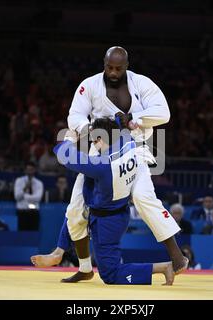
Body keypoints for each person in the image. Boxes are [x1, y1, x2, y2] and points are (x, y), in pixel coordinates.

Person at [35, 46, 186, 274]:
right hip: (101, 147)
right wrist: (90, 129)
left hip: (134, 148)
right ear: (104, 64)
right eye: (109, 67)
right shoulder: (91, 85)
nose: (113, 72)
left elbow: (164, 112)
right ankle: (83, 267)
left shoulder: (141, 83)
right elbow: (75, 115)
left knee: (143, 198)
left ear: (127, 66)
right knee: (77, 203)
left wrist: (135, 117)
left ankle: (177, 257)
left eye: (118, 68)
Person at [50, 118, 185, 285]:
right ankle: (79, 264)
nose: (93, 145)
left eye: (93, 141)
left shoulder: (102, 165)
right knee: (74, 214)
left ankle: (162, 267)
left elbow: (66, 155)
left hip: (106, 221)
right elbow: (119, 127)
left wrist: (69, 139)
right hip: (119, 213)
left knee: (110, 274)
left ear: (100, 139)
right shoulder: (128, 143)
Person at [14, 161, 44, 231]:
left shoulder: (39, 183)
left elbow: (38, 198)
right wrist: (24, 189)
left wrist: (25, 196)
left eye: (31, 170)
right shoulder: (19, 181)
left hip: (34, 213)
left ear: (34, 170)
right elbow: (17, 197)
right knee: (21, 235)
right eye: (28, 169)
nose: (29, 172)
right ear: (25, 170)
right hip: (22, 212)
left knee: (34, 234)